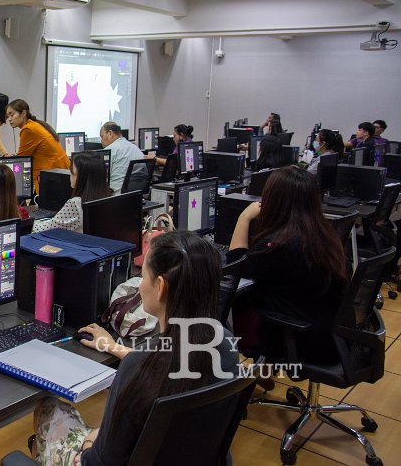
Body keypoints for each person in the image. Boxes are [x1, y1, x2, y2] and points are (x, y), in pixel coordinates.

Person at [30, 231, 239, 465]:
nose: (139, 283)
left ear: (160, 287)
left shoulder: (136, 368)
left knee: (49, 407)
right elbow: (166, 362)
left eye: (143, 276)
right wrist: (114, 347)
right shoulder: (224, 345)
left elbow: (100, 462)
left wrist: (89, 444)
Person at [227, 166, 347, 366]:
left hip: (303, 339)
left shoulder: (280, 245)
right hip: (330, 335)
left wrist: (244, 218)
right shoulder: (323, 233)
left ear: (274, 200)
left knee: (232, 299)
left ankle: (235, 363)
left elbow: (235, 268)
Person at [33, 151, 111, 233]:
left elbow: (45, 229)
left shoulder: (76, 204)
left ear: (82, 176)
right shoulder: (107, 196)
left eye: (71, 170)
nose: (69, 173)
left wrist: (29, 221)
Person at [6, 99, 70, 194]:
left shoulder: (28, 129)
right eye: (8, 116)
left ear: (23, 113)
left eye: (12, 115)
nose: (9, 119)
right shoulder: (34, 125)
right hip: (60, 173)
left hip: (52, 178)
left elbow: (21, 160)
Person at [100, 121, 144, 193]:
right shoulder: (135, 148)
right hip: (135, 195)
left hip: (115, 195)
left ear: (110, 133)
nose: (101, 141)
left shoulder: (109, 151)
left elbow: (100, 178)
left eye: (102, 136)